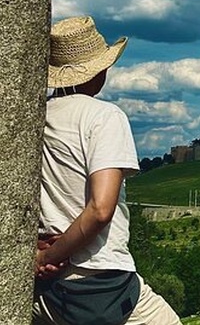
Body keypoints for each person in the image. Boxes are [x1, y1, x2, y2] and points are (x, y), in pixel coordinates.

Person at [33, 16, 181, 325]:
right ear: (97, 71)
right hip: (98, 280)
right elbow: (100, 210)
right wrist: (49, 256)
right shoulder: (105, 117)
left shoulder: (37, 117)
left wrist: (37, 255)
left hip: (46, 292)